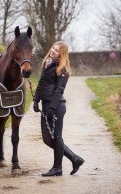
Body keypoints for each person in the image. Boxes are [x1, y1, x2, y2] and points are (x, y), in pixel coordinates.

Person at [33, 41, 85, 176]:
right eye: (53, 48)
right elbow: (41, 83)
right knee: (47, 139)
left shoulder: (62, 69)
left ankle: (58, 168)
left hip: (55, 107)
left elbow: (59, 90)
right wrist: (36, 100)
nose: (53, 51)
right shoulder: (47, 64)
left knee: (56, 137)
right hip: (45, 106)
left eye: (57, 50)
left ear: (62, 54)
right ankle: (74, 158)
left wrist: (52, 108)